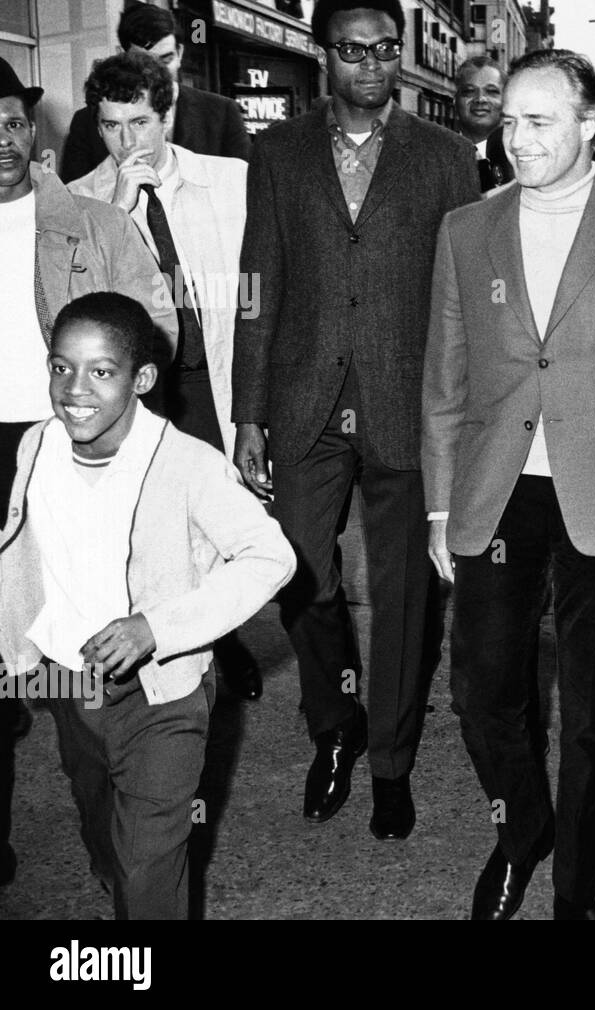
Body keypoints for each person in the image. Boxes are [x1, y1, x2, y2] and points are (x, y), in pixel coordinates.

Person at [423, 48, 595, 920]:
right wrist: (438, 504)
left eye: (539, 121)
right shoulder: (468, 229)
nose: (517, 139)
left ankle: (579, 887)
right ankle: (523, 831)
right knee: (480, 691)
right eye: (508, 120)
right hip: (496, 491)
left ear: (591, 124)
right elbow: (446, 379)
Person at [233, 0, 479, 840]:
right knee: (299, 575)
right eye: (350, 48)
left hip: (409, 409)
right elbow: (257, 288)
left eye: (382, 48)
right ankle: (333, 727)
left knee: (408, 595)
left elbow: (463, 298)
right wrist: (248, 414)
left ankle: (391, 762)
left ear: (399, 53)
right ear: (322, 54)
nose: (369, 64)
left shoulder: (447, 156)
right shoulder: (279, 153)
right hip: (304, 401)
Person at [0, 293, 294, 919]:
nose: (75, 389)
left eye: (101, 371)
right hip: (68, 682)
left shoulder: (188, 465)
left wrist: (155, 628)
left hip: (162, 694)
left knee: (151, 859)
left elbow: (272, 557)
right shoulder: (35, 447)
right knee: (102, 827)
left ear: (143, 380)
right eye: (61, 367)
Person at [0, 59, 175, 888]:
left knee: (81, 679)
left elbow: (155, 328)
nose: (3, 141)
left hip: (64, 459)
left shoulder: (95, 224)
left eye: (13, 121)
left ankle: (118, 862)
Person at [68, 50, 262, 702]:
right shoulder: (77, 204)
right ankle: (198, 649)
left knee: (224, 524)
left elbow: (268, 286)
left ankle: (225, 635)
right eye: (112, 126)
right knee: (158, 531)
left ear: (167, 114)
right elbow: (77, 311)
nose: (127, 141)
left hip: (215, 383)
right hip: (140, 396)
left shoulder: (231, 181)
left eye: (141, 123)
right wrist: (116, 213)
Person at [60, 4, 250, 184]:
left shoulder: (222, 113)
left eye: (165, 60)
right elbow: (74, 206)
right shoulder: (86, 123)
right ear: (123, 56)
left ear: (180, 53)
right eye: (146, 63)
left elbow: (249, 188)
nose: (159, 73)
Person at [454, 56, 514, 193]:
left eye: (491, 91)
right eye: (469, 91)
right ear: (455, 100)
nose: (480, 99)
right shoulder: (434, 156)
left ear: (506, 101)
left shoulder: (522, 156)